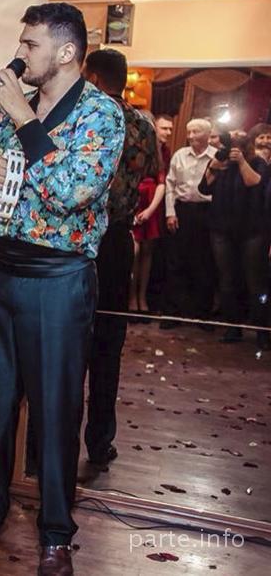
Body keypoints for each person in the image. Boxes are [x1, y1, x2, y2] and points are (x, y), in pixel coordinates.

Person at [0, 3, 124, 576]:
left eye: (30, 45)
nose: (19, 54)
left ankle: (55, 534)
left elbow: (71, 192)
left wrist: (26, 120)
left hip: (58, 279)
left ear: (66, 52)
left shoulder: (101, 114)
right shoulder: (5, 113)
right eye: (21, 43)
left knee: (55, 410)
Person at [80, 49, 159, 470]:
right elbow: (148, 173)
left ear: (92, 77)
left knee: (65, 346)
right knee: (108, 346)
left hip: (78, 240)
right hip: (117, 241)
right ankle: (99, 442)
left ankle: (43, 448)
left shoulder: (83, 117)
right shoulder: (143, 124)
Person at [199, 124, 269, 346]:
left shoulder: (257, 162)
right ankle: (232, 327)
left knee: (255, 281)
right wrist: (214, 166)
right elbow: (204, 188)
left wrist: (241, 162)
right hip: (222, 228)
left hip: (252, 230)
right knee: (227, 279)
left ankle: (262, 331)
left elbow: (254, 183)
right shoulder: (221, 161)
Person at [162, 118, 217, 328]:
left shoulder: (216, 157)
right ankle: (172, 313)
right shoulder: (179, 155)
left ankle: (201, 314)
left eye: (196, 132)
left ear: (208, 134)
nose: (191, 136)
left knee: (204, 264)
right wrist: (170, 213)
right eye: (189, 132)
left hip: (207, 212)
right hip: (182, 211)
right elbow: (170, 186)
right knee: (176, 262)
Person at [130, 111, 166, 318]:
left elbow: (162, 181)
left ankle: (142, 298)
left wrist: (150, 209)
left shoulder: (156, 151)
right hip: (132, 204)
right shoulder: (129, 145)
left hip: (150, 206)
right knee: (133, 254)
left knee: (147, 255)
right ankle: (131, 298)